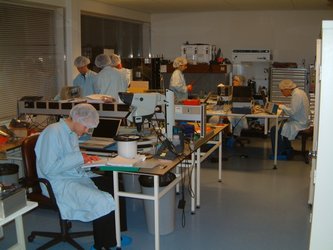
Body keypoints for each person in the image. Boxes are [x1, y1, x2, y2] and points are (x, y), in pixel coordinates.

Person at [35, 103, 128, 249]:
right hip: (57, 182)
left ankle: (115, 234)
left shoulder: (71, 133)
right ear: (77, 119)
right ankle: (103, 244)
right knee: (100, 200)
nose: (86, 131)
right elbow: (49, 169)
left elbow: (70, 158)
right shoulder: (53, 132)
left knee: (115, 186)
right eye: (86, 127)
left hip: (73, 175)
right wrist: (79, 158)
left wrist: (84, 158)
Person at [270, 79, 310, 158]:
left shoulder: (297, 95)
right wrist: (284, 106)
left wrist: (281, 106)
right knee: (279, 124)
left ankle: (280, 153)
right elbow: (295, 108)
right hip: (300, 120)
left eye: (282, 91)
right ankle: (287, 149)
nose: (282, 93)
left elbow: (292, 112)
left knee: (275, 129)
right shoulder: (299, 92)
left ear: (287, 89)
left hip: (300, 123)